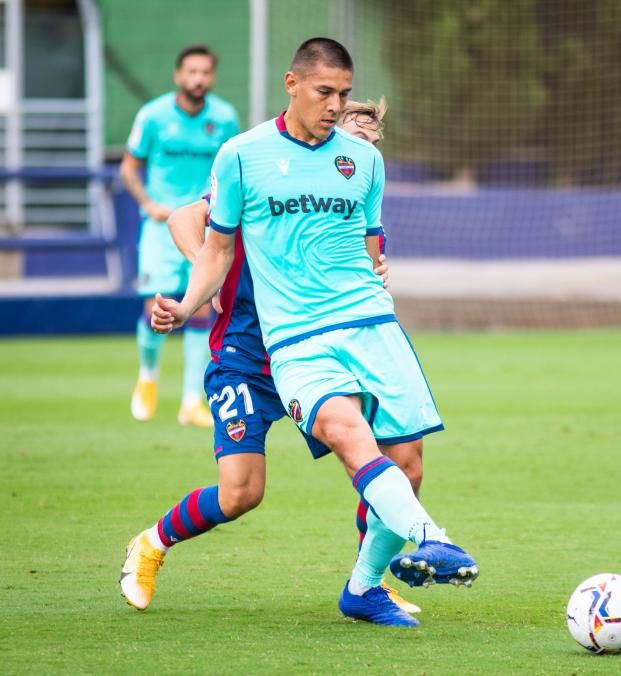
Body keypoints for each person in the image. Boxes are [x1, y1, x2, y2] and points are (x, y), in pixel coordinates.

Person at [142, 38, 477, 627]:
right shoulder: (243, 156)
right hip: (274, 341)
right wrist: (191, 302)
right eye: (326, 92)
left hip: (368, 327)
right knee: (253, 486)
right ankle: (433, 538)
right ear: (292, 83)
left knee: (409, 464)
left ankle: (365, 587)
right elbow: (204, 236)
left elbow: (370, 250)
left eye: (344, 94)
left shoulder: (364, 162)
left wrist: (377, 270)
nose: (336, 104)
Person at [118, 98, 422, 618]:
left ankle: (366, 583)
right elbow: (185, 220)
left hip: (321, 354)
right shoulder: (266, 177)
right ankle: (151, 543)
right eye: (353, 148)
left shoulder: (356, 204)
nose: (359, 162)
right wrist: (210, 274)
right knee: (241, 493)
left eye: (369, 151)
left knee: (388, 461)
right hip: (248, 354)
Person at [120, 45, 240, 427]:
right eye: (191, 71)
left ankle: (191, 401)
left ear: (213, 77)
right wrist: (149, 203)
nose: (198, 79)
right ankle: (148, 376)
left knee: (204, 305)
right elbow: (128, 169)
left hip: (204, 224)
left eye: (205, 72)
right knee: (155, 307)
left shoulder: (224, 118)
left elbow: (232, 171)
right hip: (159, 227)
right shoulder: (153, 116)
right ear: (178, 76)